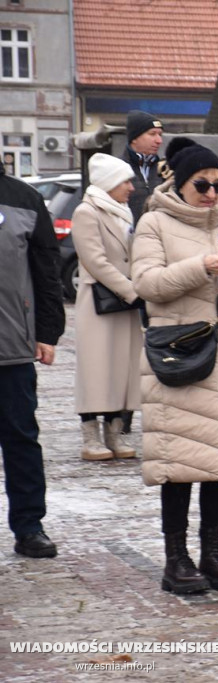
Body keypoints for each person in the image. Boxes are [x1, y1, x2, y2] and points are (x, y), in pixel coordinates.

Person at [131, 139, 218, 594]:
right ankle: (177, 559)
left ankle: (213, 552)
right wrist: (202, 266)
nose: (212, 193)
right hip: (180, 354)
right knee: (179, 461)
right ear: (180, 184)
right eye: (202, 185)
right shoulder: (154, 222)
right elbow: (146, 284)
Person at [0, 156, 65, 558]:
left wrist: (47, 331)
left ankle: (29, 526)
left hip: (11, 346)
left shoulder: (23, 198)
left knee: (21, 440)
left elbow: (46, 267)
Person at [72, 153, 143, 460]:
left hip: (125, 302)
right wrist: (131, 290)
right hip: (99, 302)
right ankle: (90, 435)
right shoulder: (87, 212)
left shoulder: (124, 212)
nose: (131, 187)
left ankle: (115, 432)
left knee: (122, 368)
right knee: (95, 368)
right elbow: (95, 260)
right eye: (125, 181)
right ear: (109, 182)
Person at [122, 110, 165, 223]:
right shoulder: (118, 169)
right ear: (134, 138)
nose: (159, 140)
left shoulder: (165, 169)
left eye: (160, 135)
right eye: (152, 134)